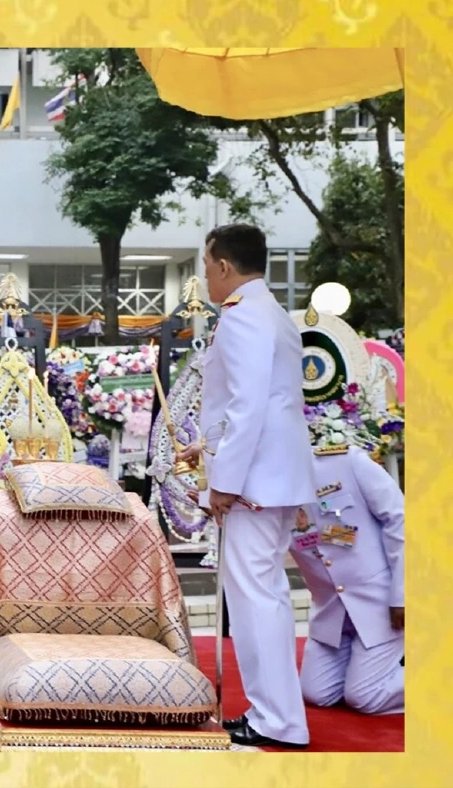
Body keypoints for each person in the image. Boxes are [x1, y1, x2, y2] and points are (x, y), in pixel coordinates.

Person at [176, 224, 315, 749]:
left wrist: (224, 483)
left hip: (256, 482)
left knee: (256, 598)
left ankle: (276, 720)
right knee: (266, 596)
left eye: (207, 265)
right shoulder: (270, 312)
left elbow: (249, 405)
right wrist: (206, 452)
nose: (206, 276)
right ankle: (274, 714)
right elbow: (260, 405)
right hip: (273, 476)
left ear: (224, 267)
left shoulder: (241, 317)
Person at [289, 443, 405, 715]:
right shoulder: (263, 494)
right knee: (316, 693)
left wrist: (403, 593)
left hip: (381, 603)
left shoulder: (344, 462)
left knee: (364, 697)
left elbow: (399, 519)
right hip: (332, 613)